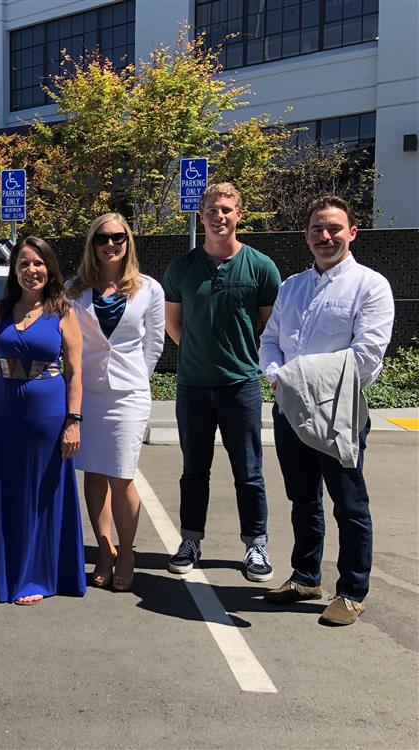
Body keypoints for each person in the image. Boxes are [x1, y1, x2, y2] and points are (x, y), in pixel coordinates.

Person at [260, 196, 394, 626]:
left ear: (352, 233)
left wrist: (299, 375)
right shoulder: (292, 286)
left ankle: (352, 591)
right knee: (302, 499)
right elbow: (270, 341)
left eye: (334, 228)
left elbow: (367, 356)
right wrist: (279, 377)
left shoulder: (370, 286)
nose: (325, 236)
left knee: (349, 503)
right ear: (306, 235)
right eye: (317, 228)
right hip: (290, 409)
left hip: (339, 413)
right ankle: (305, 576)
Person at [162, 182, 282, 582]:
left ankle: (256, 546)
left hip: (241, 386)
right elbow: (173, 325)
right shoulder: (181, 268)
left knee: (249, 471)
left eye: (227, 209)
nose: (219, 216)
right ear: (202, 216)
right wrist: (200, 352)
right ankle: (191, 540)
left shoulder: (261, 267)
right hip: (193, 386)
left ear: (238, 215)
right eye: (212, 209)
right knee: (194, 469)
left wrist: (236, 356)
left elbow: (269, 325)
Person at [0, 237, 86, 605]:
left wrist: (74, 421)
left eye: (38, 263)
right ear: (14, 270)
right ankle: (8, 573)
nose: (31, 270)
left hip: (49, 415)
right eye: (23, 264)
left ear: (49, 269)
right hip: (7, 412)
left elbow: (75, 373)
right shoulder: (0, 310)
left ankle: (39, 576)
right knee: (10, 493)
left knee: (44, 493)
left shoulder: (63, 312)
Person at [67, 213, 165, 591]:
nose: (111, 244)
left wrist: (140, 378)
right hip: (88, 391)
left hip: (128, 393)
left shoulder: (148, 289)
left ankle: (127, 552)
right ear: (92, 244)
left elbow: (154, 343)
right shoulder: (75, 289)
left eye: (118, 238)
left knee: (122, 475)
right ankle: (104, 549)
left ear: (128, 243)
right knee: (93, 472)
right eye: (103, 238)